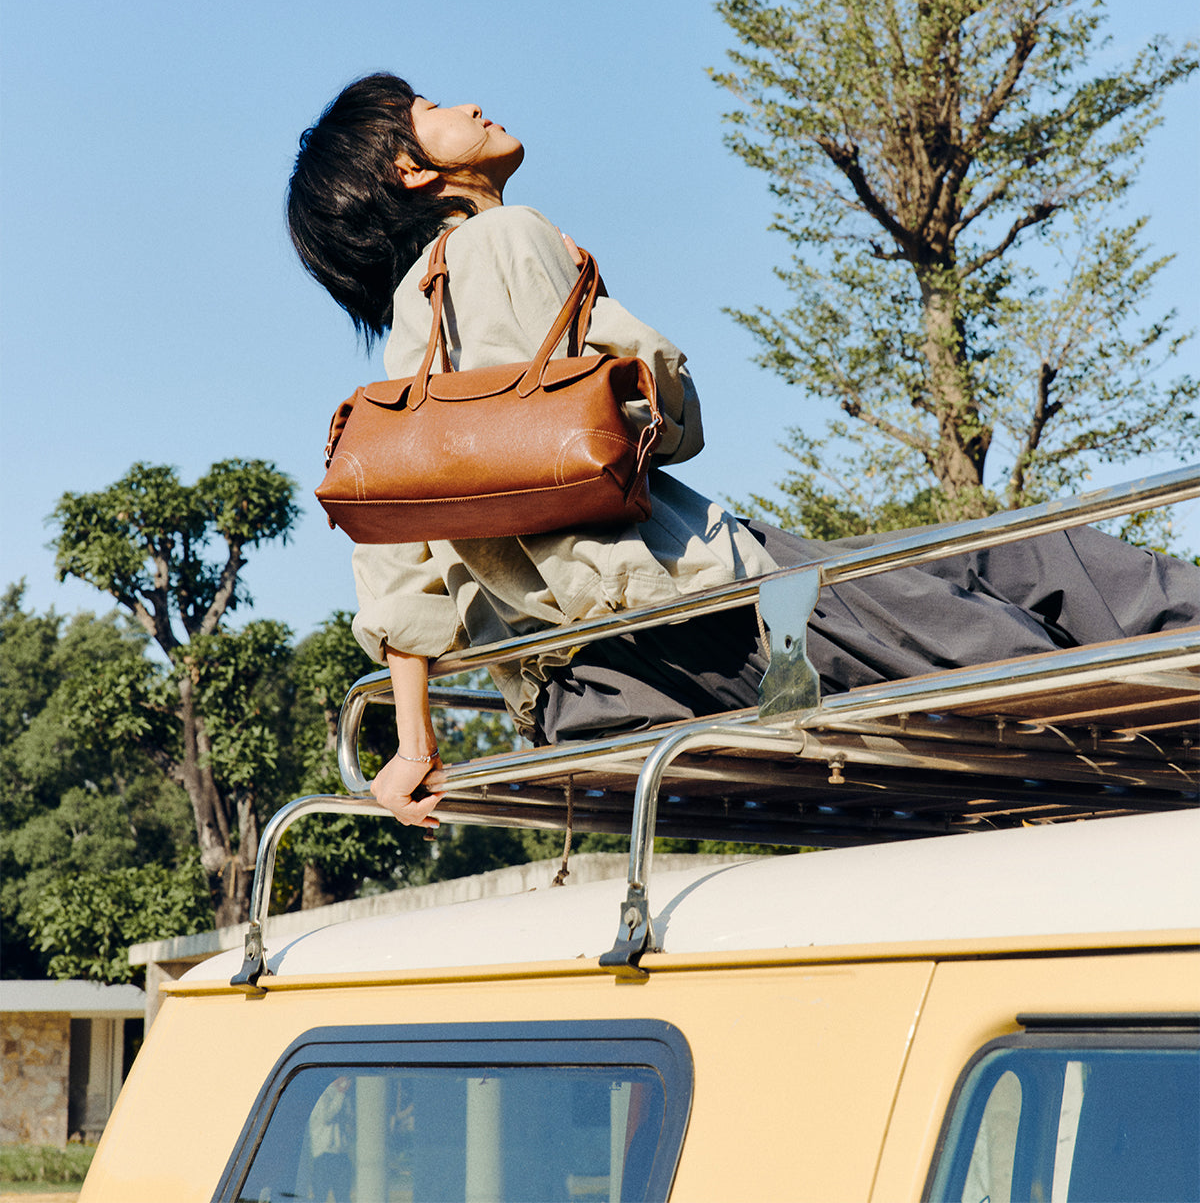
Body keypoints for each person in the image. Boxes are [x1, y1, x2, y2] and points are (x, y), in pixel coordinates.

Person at [288, 73, 1199, 831]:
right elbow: (662, 422)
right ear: (409, 169)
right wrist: (595, 307)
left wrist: (414, 746)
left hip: (578, 691)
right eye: (434, 107)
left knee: (992, 570)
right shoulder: (510, 237)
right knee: (1014, 614)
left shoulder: (405, 356)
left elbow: (399, 570)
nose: (471, 105)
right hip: (714, 610)